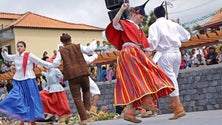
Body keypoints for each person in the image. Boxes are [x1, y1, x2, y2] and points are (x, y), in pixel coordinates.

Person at [105, 1, 175, 123]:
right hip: (129, 53)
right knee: (142, 76)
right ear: (133, 14)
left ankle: (129, 112)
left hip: (136, 53)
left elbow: (148, 46)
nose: (142, 20)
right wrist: (121, 10)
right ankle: (146, 101)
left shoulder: (139, 29)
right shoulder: (125, 23)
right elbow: (114, 24)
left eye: (143, 18)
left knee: (134, 81)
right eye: (141, 17)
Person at [147, 2, 191, 120]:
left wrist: (144, 46)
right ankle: (174, 103)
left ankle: (178, 107)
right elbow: (187, 36)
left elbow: (152, 44)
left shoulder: (154, 26)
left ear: (155, 16)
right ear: (165, 13)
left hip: (165, 54)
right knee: (172, 79)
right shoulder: (173, 24)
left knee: (171, 80)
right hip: (177, 53)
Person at [48, 33, 97, 125]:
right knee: (86, 91)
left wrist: (46, 64)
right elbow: (90, 49)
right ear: (70, 39)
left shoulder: (61, 52)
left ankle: (83, 118)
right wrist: (94, 42)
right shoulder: (78, 46)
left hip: (72, 77)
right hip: (83, 73)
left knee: (77, 98)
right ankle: (86, 110)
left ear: (62, 42)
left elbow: (55, 64)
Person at [0, 41, 52, 124]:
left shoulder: (29, 55)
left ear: (24, 47)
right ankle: (22, 118)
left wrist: (51, 65)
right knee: (17, 97)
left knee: (30, 99)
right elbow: (7, 58)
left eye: (21, 46)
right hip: (18, 80)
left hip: (28, 79)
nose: (19, 48)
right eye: (18, 46)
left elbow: (39, 61)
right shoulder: (16, 56)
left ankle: (31, 120)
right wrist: (4, 51)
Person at [39, 58, 71, 124]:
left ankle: (60, 116)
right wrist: (41, 71)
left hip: (56, 88)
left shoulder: (55, 70)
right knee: (41, 95)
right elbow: (47, 75)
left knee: (58, 103)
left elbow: (61, 76)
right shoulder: (48, 71)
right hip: (49, 88)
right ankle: (51, 112)